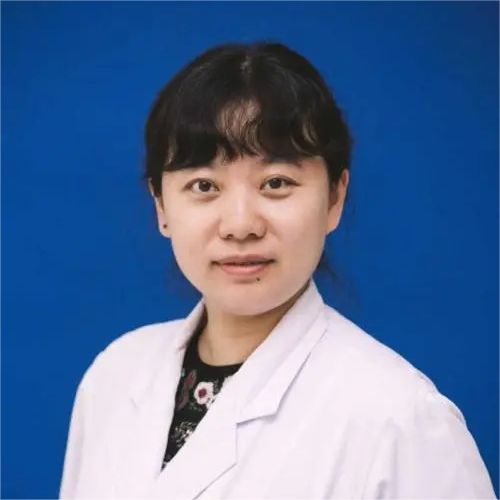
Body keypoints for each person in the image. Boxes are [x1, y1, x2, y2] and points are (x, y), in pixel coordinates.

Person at [59, 41, 496, 499]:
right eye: (204, 185)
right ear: (161, 206)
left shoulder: (402, 420)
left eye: (276, 183)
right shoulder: (114, 376)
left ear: (335, 197)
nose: (240, 225)